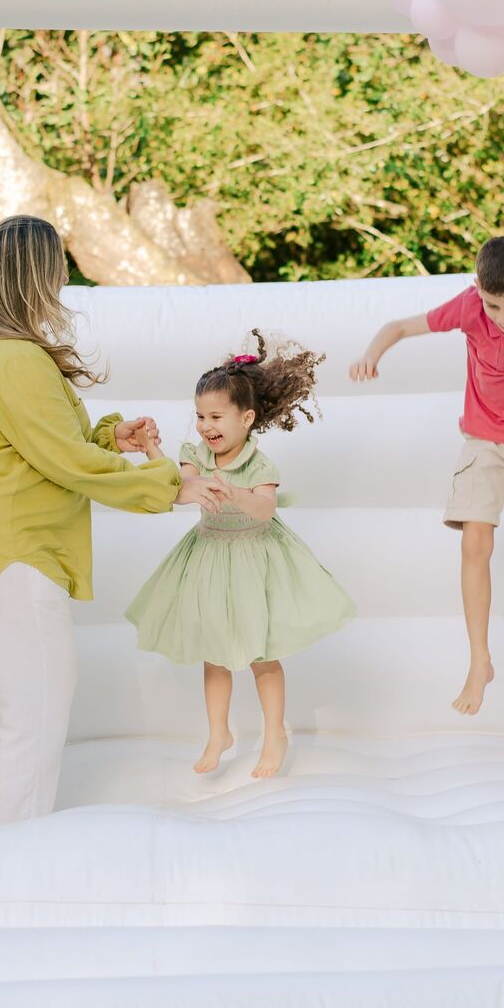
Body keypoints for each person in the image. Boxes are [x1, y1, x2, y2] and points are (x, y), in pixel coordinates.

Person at [0, 215, 224, 823]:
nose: (63, 283)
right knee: (37, 709)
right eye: (57, 271)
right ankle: (12, 859)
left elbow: (29, 444)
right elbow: (67, 462)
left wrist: (110, 437)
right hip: (5, 553)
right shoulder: (16, 360)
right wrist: (169, 484)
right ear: (37, 276)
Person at [349, 236, 504, 718]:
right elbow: (398, 326)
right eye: (493, 305)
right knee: (474, 541)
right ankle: (479, 661)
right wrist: (371, 354)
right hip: (485, 437)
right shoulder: (469, 307)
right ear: (478, 291)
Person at [128, 332, 354, 780]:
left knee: (261, 654)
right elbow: (178, 487)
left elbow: (265, 509)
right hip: (211, 556)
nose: (205, 426)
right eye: (200, 416)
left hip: (255, 559)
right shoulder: (196, 455)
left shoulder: (258, 464)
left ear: (246, 418)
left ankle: (274, 734)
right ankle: (219, 733)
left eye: (216, 416)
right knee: (214, 652)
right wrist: (151, 448)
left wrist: (234, 492)